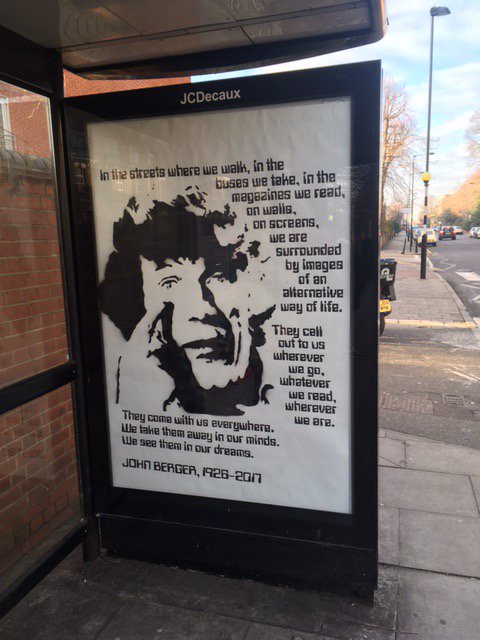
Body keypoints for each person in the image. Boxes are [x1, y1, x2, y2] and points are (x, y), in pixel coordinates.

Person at [99, 190, 275, 416]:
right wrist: (136, 390)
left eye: (217, 278)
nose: (202, 309)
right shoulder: (148, 380)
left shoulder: (268, 386)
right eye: (170, 284)